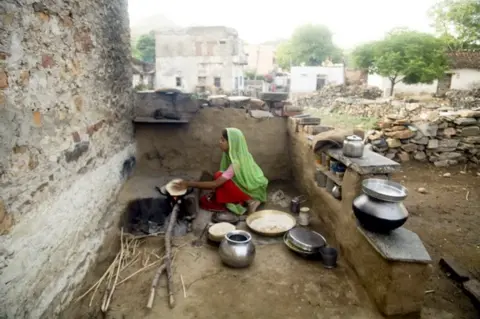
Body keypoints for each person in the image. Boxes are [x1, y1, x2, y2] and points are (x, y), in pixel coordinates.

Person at [173, 128, 268, 215]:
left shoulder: (236, 163)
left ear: (232, 144)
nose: (219, 142)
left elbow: (215, 184)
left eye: (223, 140)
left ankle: (250, 201)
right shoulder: (238, 155)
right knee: (219, 177)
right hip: (246, 186)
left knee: (218, 178)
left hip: (251, 191)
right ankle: (241, 199)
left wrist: (188, 184)